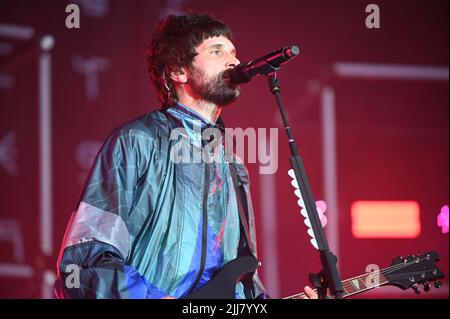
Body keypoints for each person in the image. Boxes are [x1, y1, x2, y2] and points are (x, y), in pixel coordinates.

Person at [54, 13, 318, 299]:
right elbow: (82, 263)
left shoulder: (233, 167)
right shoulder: (137, 141)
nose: (234, 62)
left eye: (234, 53)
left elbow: (241, 287)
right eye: (217, 52)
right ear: (179, 71)